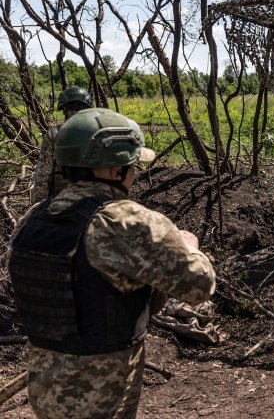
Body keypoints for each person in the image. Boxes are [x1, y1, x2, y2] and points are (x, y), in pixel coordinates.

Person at [8, 108, 217, 419]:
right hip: (100, 392)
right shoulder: (123, 222)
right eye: (132, 165)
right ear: (114, 170)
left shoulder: (34, 218)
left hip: (45, 385)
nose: (134, 173)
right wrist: (190, 246)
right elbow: (199, 285)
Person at [30, 86, 94, 204]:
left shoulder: (55, 134)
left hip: (63, 204)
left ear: (64, 110)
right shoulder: (98, 133)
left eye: (78, 107)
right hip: (88, 203)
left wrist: (37, 208)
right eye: (72, 107)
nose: (75, 111)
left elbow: (43, 175)